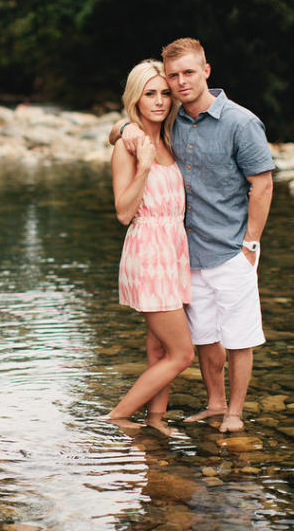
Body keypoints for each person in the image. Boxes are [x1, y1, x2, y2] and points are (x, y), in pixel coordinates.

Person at [108, 38, 274, 432]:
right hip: (165, 255)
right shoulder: (155, 134)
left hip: (206, 252)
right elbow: (122, 204)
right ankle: (126, 417)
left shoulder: (213, 125)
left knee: (196, 342)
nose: (168, 95)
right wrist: (129, 139)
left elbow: (262, 185)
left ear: (206, 71)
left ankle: (184, 417)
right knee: (188, 348)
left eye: (170, 88)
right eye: (162, 86)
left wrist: (251, 245)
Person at [103, 59, 194, 431]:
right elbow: (124, 212)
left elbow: (115, 127)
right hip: (148, 253)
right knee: (182, 353)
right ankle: (116, 418)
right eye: (149, 94)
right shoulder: (130, 145)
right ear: (135, 99)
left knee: (158, 349)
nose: (159, 101)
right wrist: (142, 165)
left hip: (173, 252)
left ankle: (156, 419)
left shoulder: (169, 138)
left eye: (164, 93)